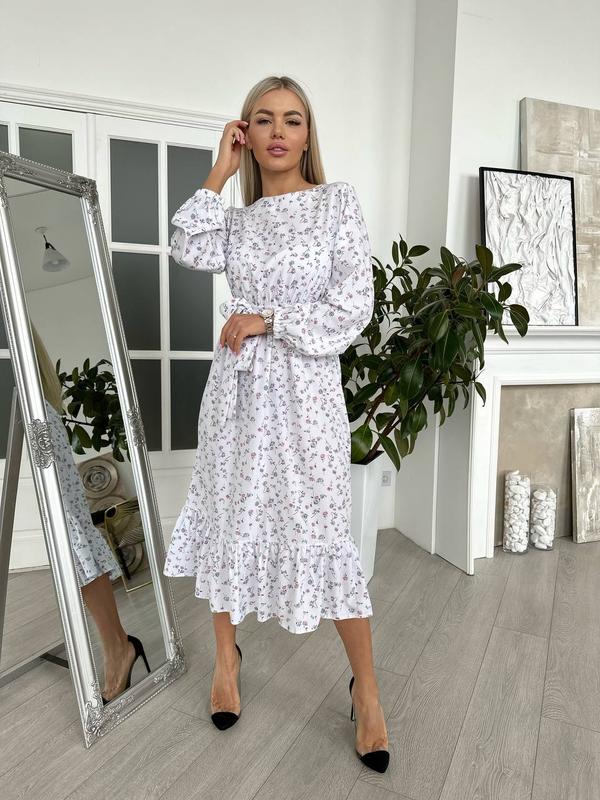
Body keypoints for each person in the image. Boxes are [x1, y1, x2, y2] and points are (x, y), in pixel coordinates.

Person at [163, 75, 389, 772]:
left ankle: (367, 690)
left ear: (308, 133)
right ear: (246, 134)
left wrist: (270, 318)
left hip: (306, 394)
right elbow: (186, 248)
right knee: (228, 516)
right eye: (263, 120)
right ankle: (225, 658)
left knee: (322, 528)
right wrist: (219, 171)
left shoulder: (335, 202)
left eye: (292, 119)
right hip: (237, 396)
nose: (279, 131)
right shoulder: (235, 222)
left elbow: (354, 305)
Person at [31, 324, 149, 703]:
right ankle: (117, 644)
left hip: (35, 419)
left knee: (72, 535)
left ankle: (117, 647)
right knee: (71, 536)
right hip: (31, 417)